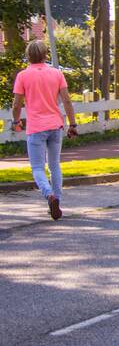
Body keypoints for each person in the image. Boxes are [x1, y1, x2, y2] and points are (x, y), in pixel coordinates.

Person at [10, 40, 77, 221]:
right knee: (54, 165)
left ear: (28, 56)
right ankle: (58, 200)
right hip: (55, 125)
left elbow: (17, 104)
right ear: (45, 54)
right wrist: (73, 124)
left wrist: (16, 122)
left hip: (36, 127)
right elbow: (67, 100)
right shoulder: (56, 73)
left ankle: (49, 195)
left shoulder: (23, 76)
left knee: (37, 167)